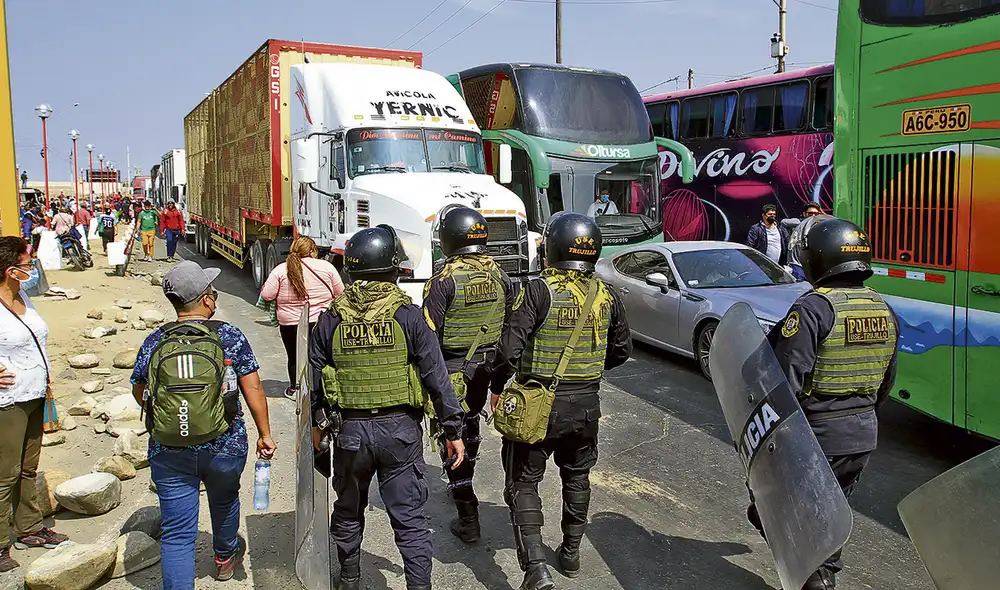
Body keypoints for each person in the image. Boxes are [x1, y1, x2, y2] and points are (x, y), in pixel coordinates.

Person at [308, 226, 465, 590]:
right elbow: (436, 377)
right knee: (409, 520)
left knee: (348, 512)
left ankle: (349, 580)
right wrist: (452, 430)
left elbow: (314, 382)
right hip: (400, 433)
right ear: (393, 269)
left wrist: (317, 428)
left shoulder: (330, 319)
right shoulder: (409, 316)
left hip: (350, 435)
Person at [490, 212, 632, 589]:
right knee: (577, 476)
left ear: (551, 248)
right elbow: (621, 351)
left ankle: (536, 569)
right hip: (585, 407)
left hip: (537, 407)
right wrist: (587, 369)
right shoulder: (606, 294)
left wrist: (496, 387)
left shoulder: (538, 291)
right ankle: (570, 553)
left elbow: (508, 351)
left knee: (523, 483)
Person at [758, 217, 899, 590]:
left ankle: (816, 581)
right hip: (862, 436)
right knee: (831, 517)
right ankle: (823, 574)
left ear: (816, 258)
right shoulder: (882, 308)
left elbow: (784, 380)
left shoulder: (813, 308)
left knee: (786, 516)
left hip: (816, 437)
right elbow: (887, 381)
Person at [130, 260, 276, 589]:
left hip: (169, 448)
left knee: (177, 534)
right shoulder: (229, 336)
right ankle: (224, 559)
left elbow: (140, 390)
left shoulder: (155, 341)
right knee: (224, 500)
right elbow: (253, 389)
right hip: (225, 443)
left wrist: (171, 414)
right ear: (207, 299)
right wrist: (265, 435)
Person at [422, 206, 516, 543]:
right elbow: (511, 329)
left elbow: (428, 338)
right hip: (486, 370)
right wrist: (499, 378)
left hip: (452, 371)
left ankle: (468, 515)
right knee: (471, 423)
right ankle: (465, 480)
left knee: (451, 435)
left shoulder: (442, 282)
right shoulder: (501, 276)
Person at [0, 237, 70, 573]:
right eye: (28, 264)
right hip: (7, 402)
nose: (33, 269)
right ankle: (1, 544)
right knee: (5, 474)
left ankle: (29, 528)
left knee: (29, 468)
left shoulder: (24, 297)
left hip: (35, 394)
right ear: (10, 270)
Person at [259, 236, 344, 399]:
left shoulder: (280, 270)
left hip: (290, 323)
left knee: (294, 356)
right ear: (312, 250)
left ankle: (294, 389)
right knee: (321, 355)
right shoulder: (326, 267)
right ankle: (321, 388)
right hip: (321, 321)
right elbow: (340, 293)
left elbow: (267, 295)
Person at [784, 203, 826, 280]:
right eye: (810, 213)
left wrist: (823, 216)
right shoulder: (799, 223)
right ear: (804, 214)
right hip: (798, 264)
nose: (813, 216)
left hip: (812, 265)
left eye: (816, 214)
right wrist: (805, 222)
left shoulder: (820, 225)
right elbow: (784, 222)